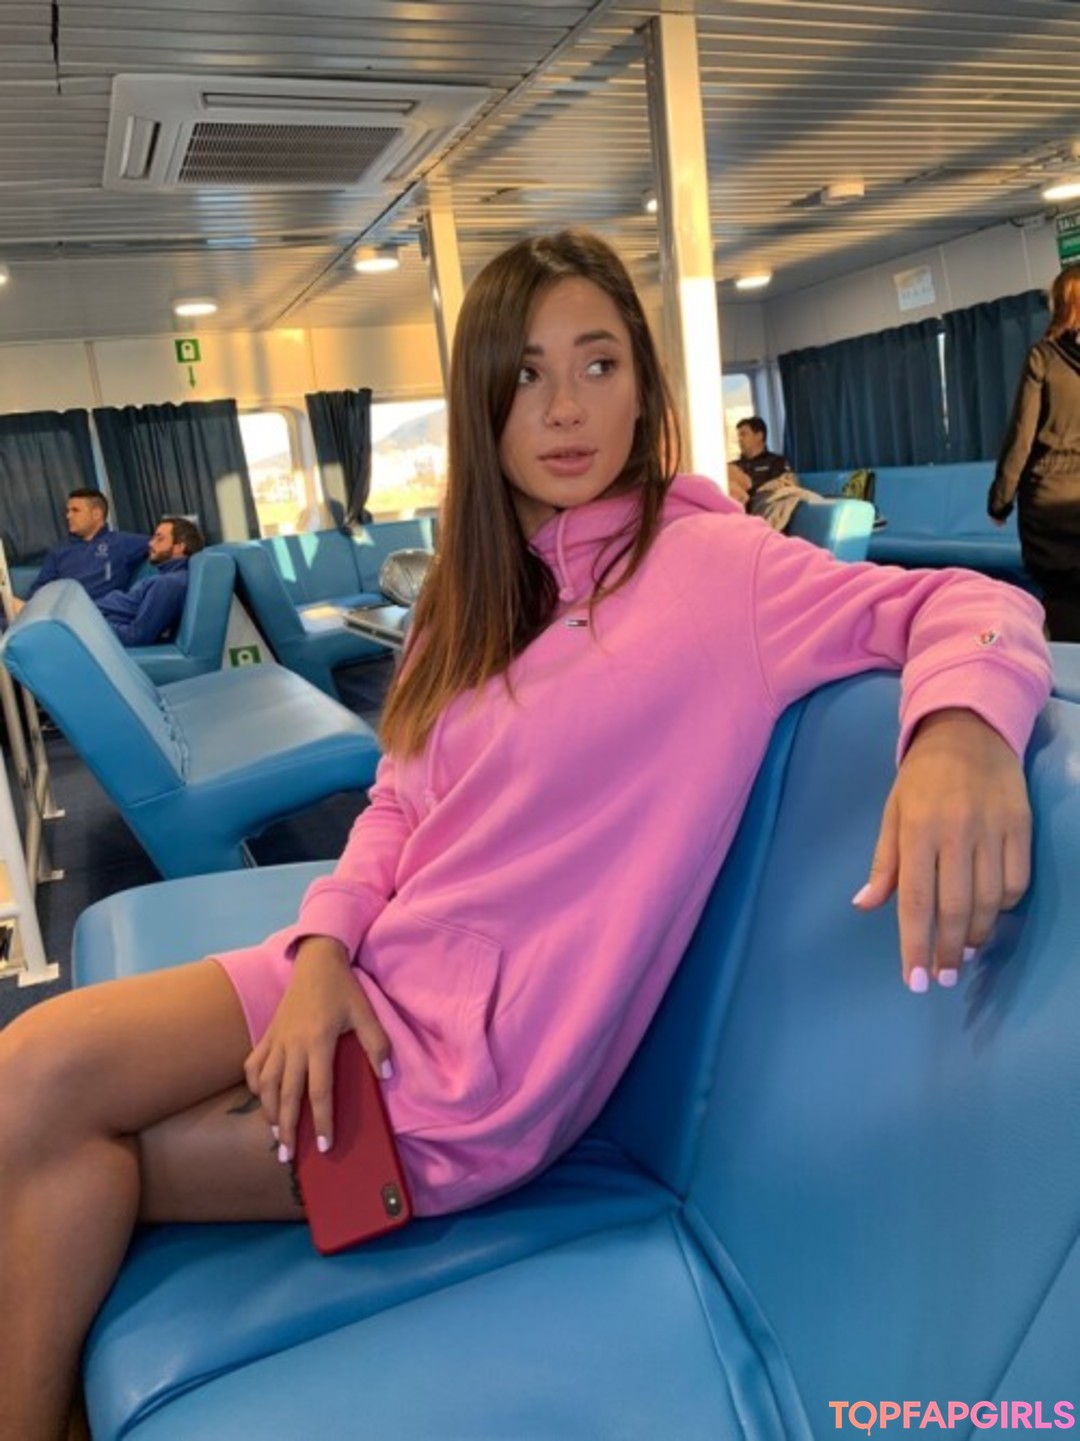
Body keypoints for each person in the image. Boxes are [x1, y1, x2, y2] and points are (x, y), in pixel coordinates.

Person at [0, 231, 1052, 1441]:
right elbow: (398, 803)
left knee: (81, 1156)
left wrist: (960, 731)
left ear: (644, 387)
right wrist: (322, 953)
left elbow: (966, 601)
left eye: (599, 365)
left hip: (457, 1087)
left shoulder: (718, 568)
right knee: (32, 1070)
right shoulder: (474, 590)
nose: (564, 409)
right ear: (481, 405)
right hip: (363, 973)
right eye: (526, 376)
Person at [988, 265, 1080, 641]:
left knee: (1062, 600)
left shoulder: (1043, 357)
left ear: (1059, 305)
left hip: (1050, 499)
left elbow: (1021, 437)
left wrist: (1000, 502)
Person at [10, 489, 147, 615]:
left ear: (96, 514)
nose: (68, 516)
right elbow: (40, 588)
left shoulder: (121, 542)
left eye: (75, 510)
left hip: (96, 614)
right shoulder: (59, 551)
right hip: (56, 611)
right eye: (68, 511)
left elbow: (157, 543)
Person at [95, 516, 205, 647]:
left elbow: (136, 637)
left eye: (160, 538)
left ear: (179, 547)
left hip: (96, 624)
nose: (151, 543)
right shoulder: (167, 578)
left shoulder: (169, 584)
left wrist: (92, 628)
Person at [733, 415, 823, 531]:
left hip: (763, 505)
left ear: (759, 436)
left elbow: (783, 485)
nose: (739, 439)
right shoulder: (733, 467)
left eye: (743, 434)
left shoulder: (776, 462)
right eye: (739, 435)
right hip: (739, 512)